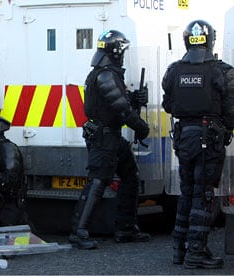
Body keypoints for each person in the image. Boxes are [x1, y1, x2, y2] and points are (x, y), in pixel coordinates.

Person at [162, 20, 234, 269]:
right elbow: (231, 110)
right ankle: (196, 252)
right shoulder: (222, 71)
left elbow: (169, 105)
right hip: (208, 140)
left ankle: (178, 250)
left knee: (187, 191)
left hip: (184, 138)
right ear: (210, 40)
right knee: (203, 195)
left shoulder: (173, 71)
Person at [69, 30, 150, 250]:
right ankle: (79, 232)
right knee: (97, 182)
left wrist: (136, 97)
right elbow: (121, 108)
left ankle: (125, 227)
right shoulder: (105, 75)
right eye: (122, 51)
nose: (123, 55)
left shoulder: (106, 73)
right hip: (104, 138)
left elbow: (117, 100)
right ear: (115, 52)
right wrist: (141, 127)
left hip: (110, 135)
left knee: (130, 176)